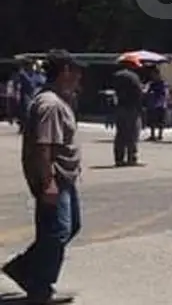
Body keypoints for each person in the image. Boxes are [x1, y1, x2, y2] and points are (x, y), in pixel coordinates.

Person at [3, 49, 84, 304]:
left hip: (64, 178)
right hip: (54, 178)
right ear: (66, 72)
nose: (80, 78)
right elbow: (43, 146)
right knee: (56, 231)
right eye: (77, 72)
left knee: (67, 228)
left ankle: (24, 268)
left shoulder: (58, 100)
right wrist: (48, 183)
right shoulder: (50, 104)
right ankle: (39, 286)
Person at [110, 58, 145, 167]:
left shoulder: (116, 76)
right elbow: (139, 92)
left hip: (120, 106)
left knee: (120, 133)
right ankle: (131, 158)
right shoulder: (133, 77)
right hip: (132, 107)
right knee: (132, 133)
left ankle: (119, 158)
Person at [144, 69, 168, 142]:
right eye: (152, 75)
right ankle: (153, 135)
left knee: (161, 121)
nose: (153, 76)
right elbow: (147, 91)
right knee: (152, 121)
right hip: (153, 104)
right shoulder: (151, 84)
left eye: (154, 74)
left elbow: (165, 93)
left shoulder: (163, 83)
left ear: (158, 75)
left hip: (161, 104)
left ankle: (160, 135)